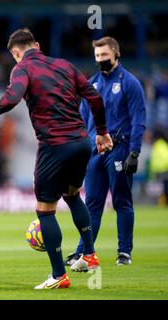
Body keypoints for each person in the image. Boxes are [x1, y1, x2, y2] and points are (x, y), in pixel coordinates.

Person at [0, 28, 113, 289]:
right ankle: (90, 254)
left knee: (44, 210)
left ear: (17, 54)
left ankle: (58, 274)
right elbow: (95, 97)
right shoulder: (65, 65)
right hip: (81, 142)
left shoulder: (22, 69)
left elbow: (13, 96)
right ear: (37, 45)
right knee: (72, 196)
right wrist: (102, 132)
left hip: (55, 145)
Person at [65, 37, 146, 267]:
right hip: (93, 152)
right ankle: (84, 253)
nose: (100, 60)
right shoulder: (91, 85)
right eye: (97, 56)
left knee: (121, 201)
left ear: (116, 54)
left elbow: (139, 120)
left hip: (119, 149)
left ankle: (124, 252)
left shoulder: (130, 84)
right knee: (92, 204)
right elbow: (81, 121)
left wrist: (134, 152)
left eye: (104, 56)